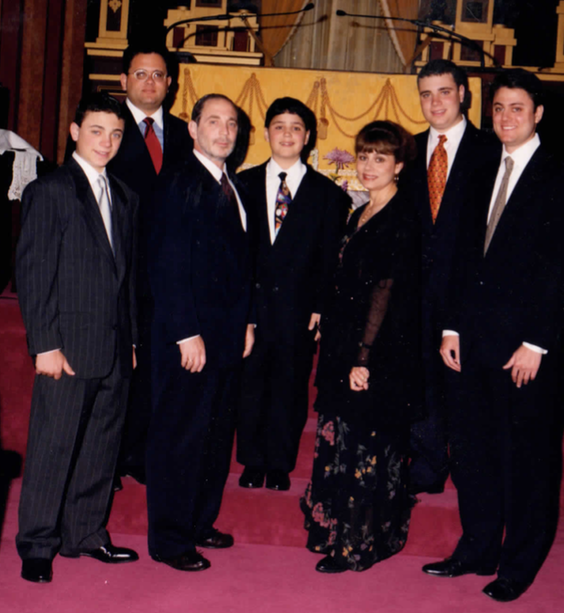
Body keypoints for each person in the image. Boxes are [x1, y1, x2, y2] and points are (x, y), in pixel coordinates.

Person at [422, 69, 564, 602]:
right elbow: (457, 255)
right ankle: (476, 548)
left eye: (516, 108)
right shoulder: (476, 169)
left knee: (525, 459)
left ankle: (519, 562)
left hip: (525, 351)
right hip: (470, 341)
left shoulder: (562, 183)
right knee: (472, 451)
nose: (505, 118)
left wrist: (538, 342)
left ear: (538, 114)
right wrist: (450, 326)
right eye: (497, 109)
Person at [15, 93, 139, 583]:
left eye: (115, 133)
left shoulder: (126, 196)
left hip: (112, 346)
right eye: (96, 131)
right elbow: (34, 271)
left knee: (100, 447)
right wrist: (44, 344)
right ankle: (38, 545)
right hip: (65, 345)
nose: (106, 142)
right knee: (53, 445)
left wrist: (129, 340)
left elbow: (123, 277)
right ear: (73, 132)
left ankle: (85, 534)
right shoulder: (52, 190)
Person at [301, 120, 422, 573]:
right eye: (364, 155)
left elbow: (384, 293)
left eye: (381, 158)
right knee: (342, 438)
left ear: (399, 165)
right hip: (343, 344)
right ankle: (336, 532)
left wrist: (364, 359)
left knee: (364, 446)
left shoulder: (400, 218)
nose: (369, 165)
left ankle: (356, 544)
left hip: (374, 352)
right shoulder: (362, 211)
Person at [146, 94, 254, 572]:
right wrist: (186, 333)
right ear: (192, 129)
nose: (224, 131)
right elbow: (166, 265)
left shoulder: (232, 184)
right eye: (214, 122)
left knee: (212, 434)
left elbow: (239, 266)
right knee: (180, 437)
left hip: (227, 337)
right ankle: (170, 539)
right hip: (188, 338)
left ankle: (198, 521)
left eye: (232, 124)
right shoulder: (178, 181)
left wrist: (247, 321)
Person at [236, 97, 351, 491]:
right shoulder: (241, 184)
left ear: (308, 138)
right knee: (250, 383)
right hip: (249, 307)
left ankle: (280, 462)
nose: (287, 134)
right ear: (266, 133)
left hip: (300, 309)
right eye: (279, 126)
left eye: (296, 128)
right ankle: (252, 460)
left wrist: (321, 306)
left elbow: (331, 258)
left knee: (289, 382)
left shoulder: (329, 195)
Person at [407, 59, 499, 495]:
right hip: (415, 292)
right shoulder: (408, 150)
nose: (435, 102)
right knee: (419, 379)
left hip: (469, 294)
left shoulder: (491, 151)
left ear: (463, 93)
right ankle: (426, 467)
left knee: (464, 392)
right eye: (426, 94)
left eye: (444, 91)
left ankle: (467, 473)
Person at [111, 41, 194, 485]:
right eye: (141, 74)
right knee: (121, 365)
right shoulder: (105, 127)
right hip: (118, 272)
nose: (150, 82)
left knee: (158, 368)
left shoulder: (185, 135)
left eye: (159, 75)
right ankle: (114, 452)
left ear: (170, 84)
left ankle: (143, 452)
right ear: (123, 81)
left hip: (169, 276)